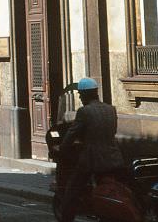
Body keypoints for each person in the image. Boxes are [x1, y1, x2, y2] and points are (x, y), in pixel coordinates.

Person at [57, 77, 125, 222]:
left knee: (72, 190)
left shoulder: (84, 112)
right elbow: (110, 132)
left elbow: (71, 134)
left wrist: (62, 149)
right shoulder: (110, 109)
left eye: (81, 95)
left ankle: (66, 219)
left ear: (85, 94)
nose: (80, 98)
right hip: (113, 157)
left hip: (92, 160)